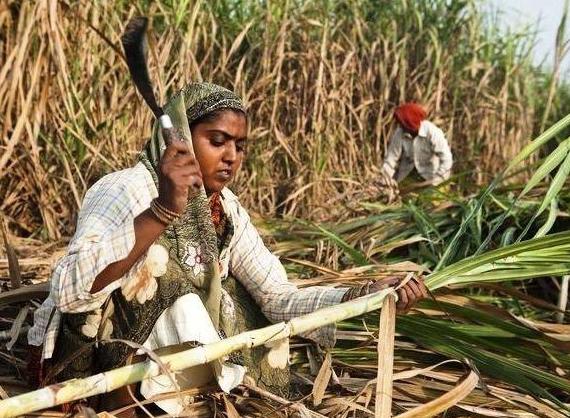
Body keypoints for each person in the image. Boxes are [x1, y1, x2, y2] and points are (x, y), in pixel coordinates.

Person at [27, 83, 428, 416]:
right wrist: (162, 210)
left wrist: (367, 294)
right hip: (109, 372)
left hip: (183, 373)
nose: (232, 157)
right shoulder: (125, 189)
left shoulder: (226, 211)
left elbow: (278, 298)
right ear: (179, 139)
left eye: (240, 145)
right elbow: (70, 291)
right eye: (217, 141)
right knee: (174, 283)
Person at [381, 102, 453, 186]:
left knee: (433, 197)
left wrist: (436, 180)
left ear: (410, 122)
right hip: (408, 176)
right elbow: (391, 158)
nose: (401, 126)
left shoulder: (432, 132)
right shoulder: (400, 132)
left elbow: (447, 159)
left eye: (403, 123)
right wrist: (386, 178)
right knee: (405, 197)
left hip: (431, 175)